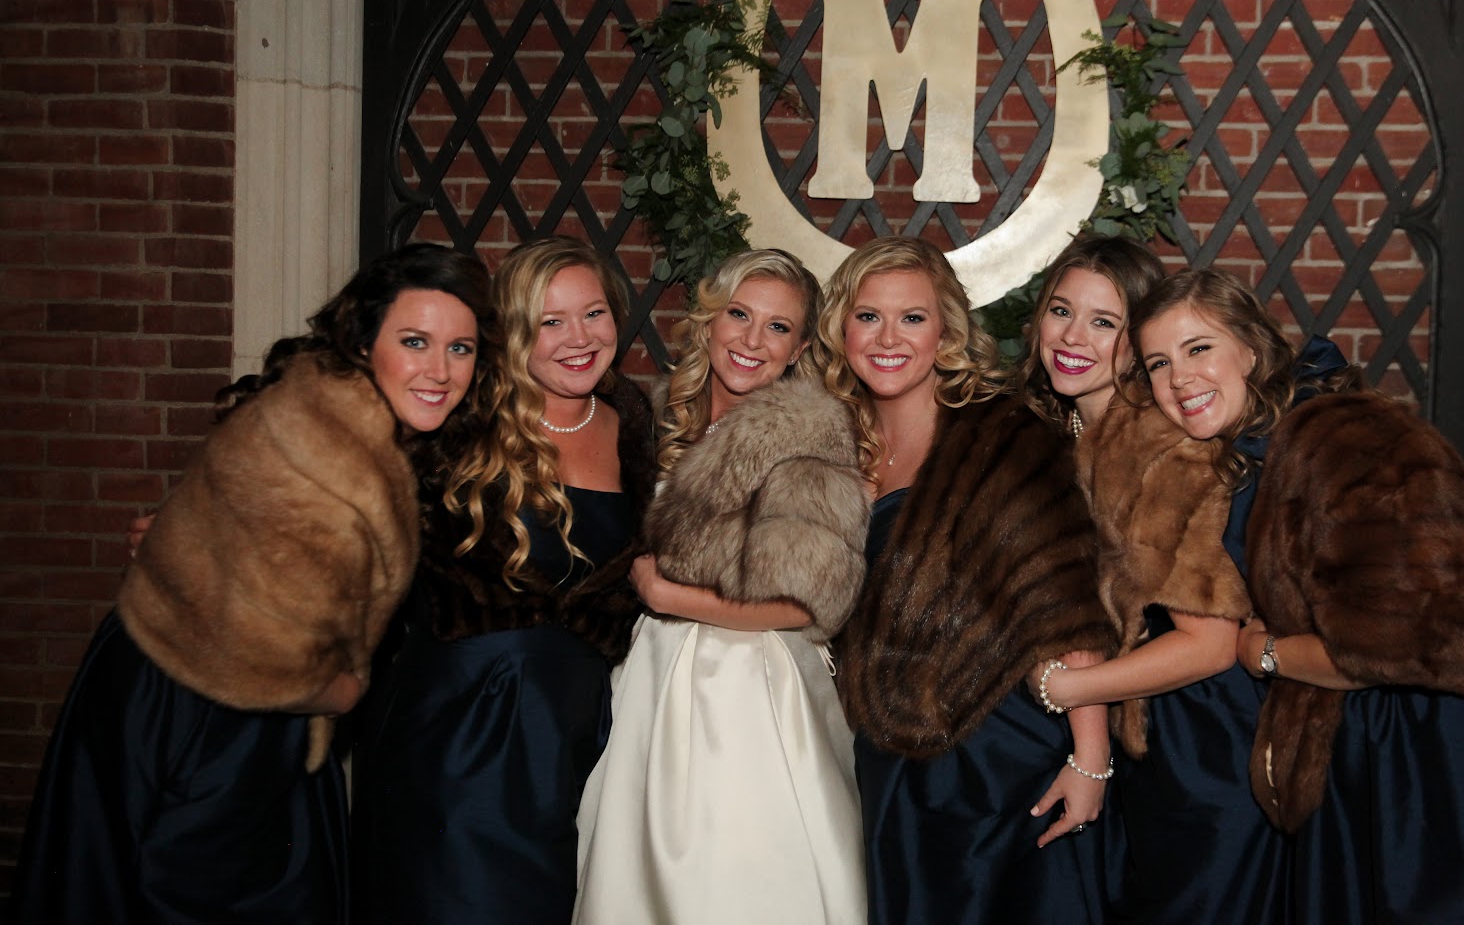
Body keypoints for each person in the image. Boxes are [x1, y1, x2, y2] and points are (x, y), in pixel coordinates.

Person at [10, 243, 495, 925]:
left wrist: (181, 540)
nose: (439, 370)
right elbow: (275, 663)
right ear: (364, 343)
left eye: (459, 348)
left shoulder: (332, 408)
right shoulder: (328, 459)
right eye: (414, 341)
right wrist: (348, 689)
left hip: (188, 697)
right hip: (212, 716)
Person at [1133, 268, 1464, 923]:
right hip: (1369, 749)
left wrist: (1263, 654)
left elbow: (1389, 648)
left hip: (1450, 756)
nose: (1180, 378)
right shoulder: (1254, 451)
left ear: (1252, 348)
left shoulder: (1349, 443)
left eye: (1198, 347)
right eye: (1159, 362)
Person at [350, 237, 656, 925]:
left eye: (594, 313)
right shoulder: (460, 417)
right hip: (459, 735)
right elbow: (333, 482)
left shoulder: (633, 423)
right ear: (514, 332)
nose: (580, 337)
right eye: (551, 321)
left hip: (575, 741)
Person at [824, 236, 1117, 925]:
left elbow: (1064, 604)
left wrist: (1090, 757)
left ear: (947, 331)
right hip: (883, 754)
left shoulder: (1006, 437)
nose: (888, 338)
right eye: (868, 316)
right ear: (841, 329)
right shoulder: (830, 441)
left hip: (997, 756)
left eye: (912, 318)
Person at [572, 248, 870, 924]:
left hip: (748, 692)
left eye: (778, 327)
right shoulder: (656, 415)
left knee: (734, 875)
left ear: (798, 349)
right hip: (651, 679)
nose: (752, 340)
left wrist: (668, 598)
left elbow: (804, 603)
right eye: (740, 314)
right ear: (709, 321)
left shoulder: (810, 432)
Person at [1021, 238, 1286, 923]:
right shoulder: (1062, 433)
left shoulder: (1164, 447)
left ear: (1137, 345)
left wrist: (1066, 688)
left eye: (1104, 322)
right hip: (1144, 734)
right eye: (1061, 310)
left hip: (1202, 740)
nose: (1073, 337)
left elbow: (1210, 643)